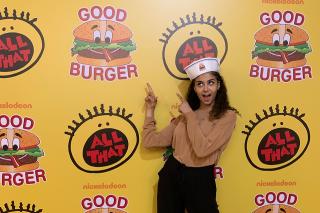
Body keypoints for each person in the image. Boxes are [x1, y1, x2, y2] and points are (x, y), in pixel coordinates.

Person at [142, 57, 238, 213]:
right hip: (172, 172)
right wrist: (150, 110)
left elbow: (202, 150)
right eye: (200, 84)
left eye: (211, 83)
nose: (205, 89)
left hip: (200, 177)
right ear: (194, 88)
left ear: (219, 85)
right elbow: (150, 141)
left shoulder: (227, 116)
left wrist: (189, 114)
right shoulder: (185, 116)